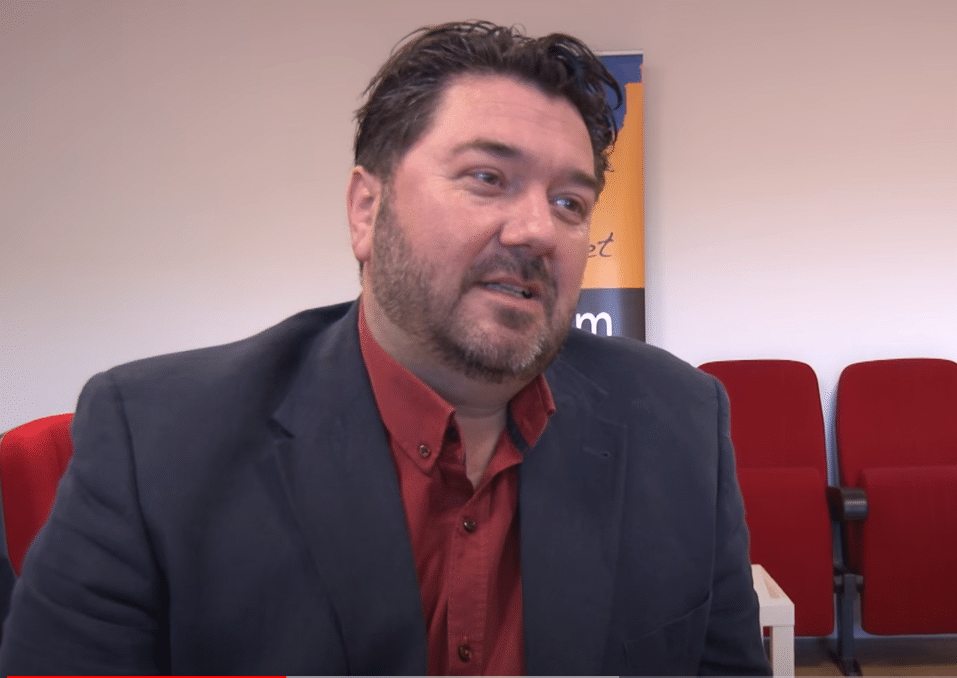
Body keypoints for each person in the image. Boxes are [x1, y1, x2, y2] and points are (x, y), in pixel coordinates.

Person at [0, 20, 769, 676]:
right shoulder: (155, 442)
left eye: (570, 202)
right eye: (487, 177)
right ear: (367, 211)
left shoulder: (681, 423)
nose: (539, 229)